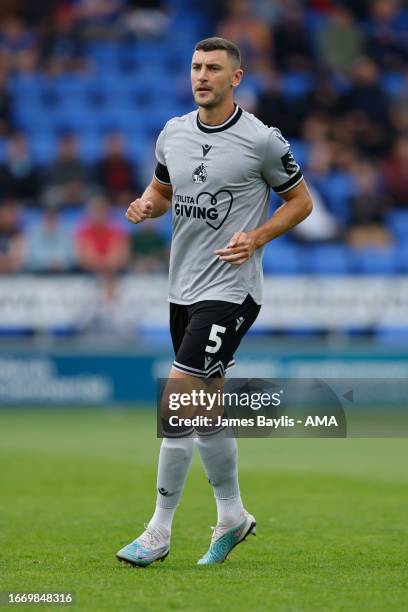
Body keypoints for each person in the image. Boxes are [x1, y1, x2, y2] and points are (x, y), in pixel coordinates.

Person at [116, 37, 312, 567]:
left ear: (236, 78)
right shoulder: (172, 133)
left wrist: (259, 236)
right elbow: (161, 191)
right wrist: (145, 206)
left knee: (178, 401)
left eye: (213, 68)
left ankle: (157, 532)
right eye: (196, 67)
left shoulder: (262, 141)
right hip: (183, 288)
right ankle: (232, 516)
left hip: (232, 289)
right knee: (204, 411)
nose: (201, 76)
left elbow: (301, 201)